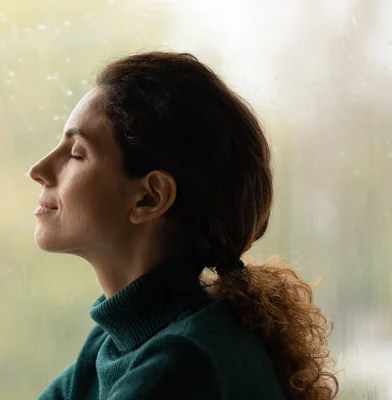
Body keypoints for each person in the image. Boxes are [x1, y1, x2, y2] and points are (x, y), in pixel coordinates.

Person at [28, 51, 339, 400]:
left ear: (149, 197)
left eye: (77, 153)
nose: (38, 169)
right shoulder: (112, 342)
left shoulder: (181, 363)